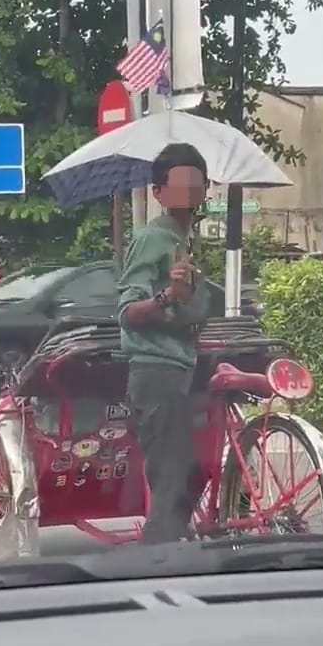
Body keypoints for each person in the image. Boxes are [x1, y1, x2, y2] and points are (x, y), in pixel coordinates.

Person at [117, 142, 211, 544]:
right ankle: (156, 565)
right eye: (180, 183)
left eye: (197, 182)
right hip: (155, 372)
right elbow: (126, 312)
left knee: (190, 473)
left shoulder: (183, 241)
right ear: (158, 192)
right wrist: (168, 296)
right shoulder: (152, 238)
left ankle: (169, 548)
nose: (189, 191)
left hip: (181, 370)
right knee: (173, 482)